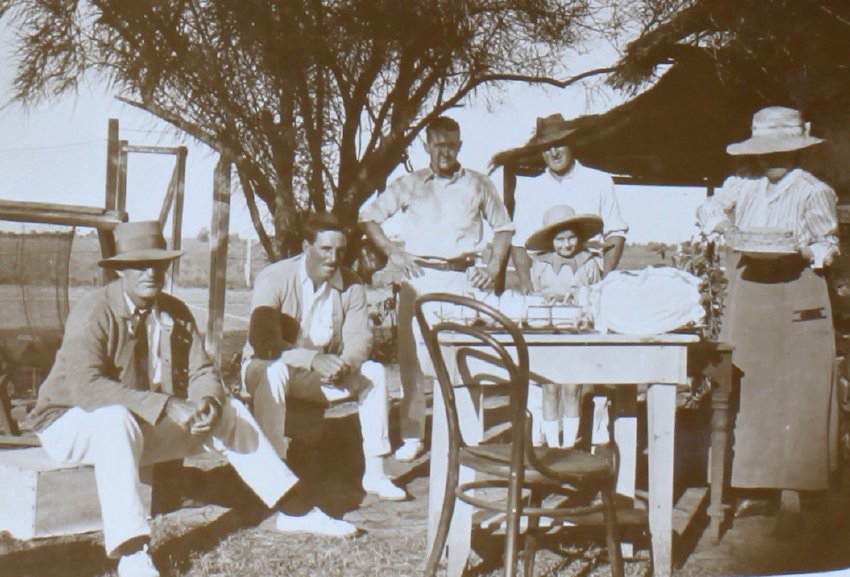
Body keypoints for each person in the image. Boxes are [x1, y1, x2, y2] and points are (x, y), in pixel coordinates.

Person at [22, 221, 300, 577]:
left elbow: (203, 372)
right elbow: (87, 389)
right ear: (120, 269)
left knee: (231, 411)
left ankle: (292, 507)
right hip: (69, 422)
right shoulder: (94, 311)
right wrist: (168, 406)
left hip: (135, 424)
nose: (151, 272)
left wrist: (207, 403)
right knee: (113, 417)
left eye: (158, 263)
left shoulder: (175, 311)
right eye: (140, 264)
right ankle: (132, 552)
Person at [697, 106, 838, 536]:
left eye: (783, 151)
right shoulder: (743, 185)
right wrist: (723, 225)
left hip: (798, 292)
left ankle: (800, 490)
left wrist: (804, 251)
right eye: (766, 151)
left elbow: (828, 246)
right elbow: (710, 210)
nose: (773, 159)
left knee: (800, 394)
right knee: (749, 385)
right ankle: (756, 485)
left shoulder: (814, 191)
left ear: (799, 150)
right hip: (751, 293)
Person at [359, 116, 515, 461]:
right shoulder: (409, 183)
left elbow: (504, 228)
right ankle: (413, 435)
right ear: (427, 146)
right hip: (419, 277)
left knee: (465, 355)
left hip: (463, 278)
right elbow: (368, 217)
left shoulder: (479, 184)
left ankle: (468, 432)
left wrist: (492, 268)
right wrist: (392, 252)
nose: (445, 151)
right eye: (438, 144)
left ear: (460, 146)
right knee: (413, 359)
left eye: (451, 144)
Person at [241, 212, 406, 533]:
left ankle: (375, 472)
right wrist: (311, 360)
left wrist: (344, 363)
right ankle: (274, 477)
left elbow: (362, 338)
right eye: (325, 249)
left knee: (373, 373)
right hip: (269, 368)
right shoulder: (274, 277)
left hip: (320, 374)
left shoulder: (351, 283)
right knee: (274, 371)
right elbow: (263, 342)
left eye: (340, 251)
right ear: (306, 247)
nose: (333, 258)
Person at [510, 113, 629, 293]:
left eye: (559, 144)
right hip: (545, 278)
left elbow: (615, 232)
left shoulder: (599, 181)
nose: (554, 153)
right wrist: (525, 282)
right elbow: (519, 243)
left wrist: (605, 280)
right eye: (547, 147)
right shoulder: (530, 189)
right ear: (541, 151)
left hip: (589, 276)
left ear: (571, 142)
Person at [524, 205, 603, 448]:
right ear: (551, 240)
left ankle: (569, 444)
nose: (566, 245)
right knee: (549, 387)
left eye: (571, 238)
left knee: (572, 388)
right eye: (559, 239)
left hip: (577, 332)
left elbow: (597, 296)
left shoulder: (589, 262)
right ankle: (552, 444)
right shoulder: (541, 264)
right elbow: (535, 297)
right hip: (548, 333)